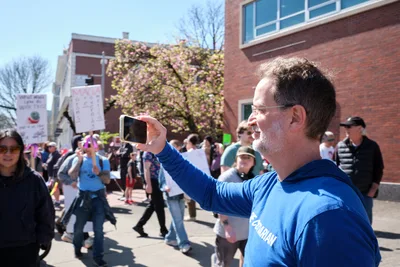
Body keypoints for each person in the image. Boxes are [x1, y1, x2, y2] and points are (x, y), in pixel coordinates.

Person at [135, 57, 381, 266]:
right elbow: (211, 193)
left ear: (295, 117)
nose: (250, 120)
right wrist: (163, 149)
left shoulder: (329, 217)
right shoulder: (270, 183)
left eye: (259, 109)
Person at [0, 129, 55, 267]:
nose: (8, 154)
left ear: (21, 151)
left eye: (14, 149)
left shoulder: (34, 180)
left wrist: (44, 238)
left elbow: (46, 212)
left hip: (25, 249)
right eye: (2, 148)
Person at [65, 135, 116, 267]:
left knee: (98, 230)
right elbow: (72, 175)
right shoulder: (78, 159)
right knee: (78, 229)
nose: (89, 147)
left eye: (91, 144)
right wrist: (79, 161)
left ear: (97, 146)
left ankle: (98, 257)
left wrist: (99, 173)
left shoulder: (103, 160)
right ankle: (77, 248)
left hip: (98, 199)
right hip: (83, 198)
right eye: (86, 144)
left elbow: (107, 180)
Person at [212, 146, 256, 267]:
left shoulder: (253, 179)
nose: (244, 160)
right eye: (242, 157)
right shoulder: (227, 177)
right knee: (223, 264)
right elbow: (220, 204)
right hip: (229, 232)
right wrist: (227, 227)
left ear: (253, 162)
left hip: (247, 233)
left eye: (248, 158)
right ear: (236, 159)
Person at [335, 116, 384, 224]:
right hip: (345, 193)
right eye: (345, 127)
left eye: (349, 126)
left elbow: (379, 168)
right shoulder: (340, 146)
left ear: (360, 128)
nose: (346, 129)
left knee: (365, 224)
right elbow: (336, 167)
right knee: (346, 223)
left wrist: (373, 189)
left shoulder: (372, 146)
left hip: (365, 194)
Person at [159, 139, 192, 254]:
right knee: (178, 220)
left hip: (180, 195)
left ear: (178, 148)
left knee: (178, 219)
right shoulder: (164, 163)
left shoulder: (182, 161)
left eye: (174, 147)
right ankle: (184, 243)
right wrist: (165, 187)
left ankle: (169, 238)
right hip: (170, 196)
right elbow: (161, 181)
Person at [132, 150, 168, 238]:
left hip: (159, 180)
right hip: (153, 180)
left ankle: (139, 225)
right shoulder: (148, 153)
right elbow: (146, 169)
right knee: (159, 205)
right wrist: (148, 184)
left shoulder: (158, 150)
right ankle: (163, 230)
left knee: (153, 205)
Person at [45, 141, 61, 209]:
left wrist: (54, 176)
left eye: (50, 146)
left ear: (54, 147)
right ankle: (55, 200)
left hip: (55, 175)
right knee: (52, 188)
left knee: (55, 188)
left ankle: (57, 202)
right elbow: (49, 163)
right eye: (48, 146)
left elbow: (57, 165)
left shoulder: (57, 154)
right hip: (50, 174)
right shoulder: (50, 154)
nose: (49, 148)